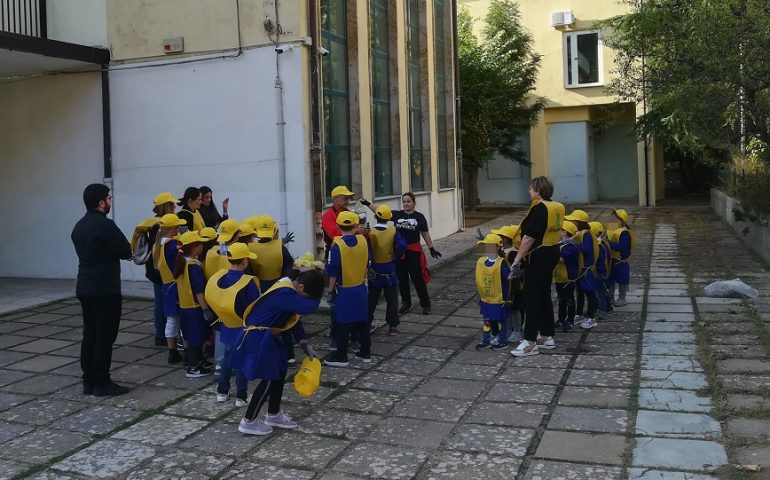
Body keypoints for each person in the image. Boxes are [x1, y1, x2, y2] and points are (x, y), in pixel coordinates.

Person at [231, 269, 325, 436]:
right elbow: (306, 308)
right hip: (257, 335)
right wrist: (318, 296)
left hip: (267, 335)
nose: (306, 299)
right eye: (307, 295)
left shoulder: (290, 289)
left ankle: (273, 414)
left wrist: (303, 342)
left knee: (280, 370)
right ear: (300, 286)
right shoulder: (284, 292)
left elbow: (292, 318)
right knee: (269, 377)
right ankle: (249, 421)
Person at [71, 183, 133, 396]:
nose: (110, 201)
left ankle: (88, 381)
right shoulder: (105, 225)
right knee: (105, 337)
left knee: (90, 334)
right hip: (105, 289)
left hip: (85, 287)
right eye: (109, 198)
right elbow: (126, 250)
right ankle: (102, 383)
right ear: (101, 202)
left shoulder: (79, 226)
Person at [510, 176, 564, 357]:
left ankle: (530, 342)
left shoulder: (540, 208)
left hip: (538, 256)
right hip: (552, 252)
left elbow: (529, 238)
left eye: (531, 188)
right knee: (543, 295)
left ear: (538, 190)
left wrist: (517, 259)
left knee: (531, 297)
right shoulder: (556, 206)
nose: (529, 191)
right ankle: (547, 336)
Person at [204, 243, 258, 407]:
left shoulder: (221, 276)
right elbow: (255, 305)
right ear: (245, 261)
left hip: (226, 324)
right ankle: (241, 396)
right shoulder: (247, 282)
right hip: (243, 327)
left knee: (227, 358)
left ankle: (222, 391)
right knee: (241, 361)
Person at [324, 211, 371, 367]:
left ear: (338, 226)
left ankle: (341, 356)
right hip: (360, 286)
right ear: (356, 226)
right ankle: (365, 353)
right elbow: (367, 261)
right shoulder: (363, 241)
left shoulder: (337, 246)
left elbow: (333, 271)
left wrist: (330, 290)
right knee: (363, 320)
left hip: (344, 289)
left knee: (343, 322)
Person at [249, 214, 297, 363]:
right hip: (278, 286)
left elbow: (249, 269)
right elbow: (289, 265)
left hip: (260, 288)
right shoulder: (279, 246)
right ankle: (290, 356)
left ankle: (263, 355)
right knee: (283, 322)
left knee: (261, 323)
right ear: (274, 230)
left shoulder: (251, 248)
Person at [132, 192, 178, 346]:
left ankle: (161, 334)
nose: (175, 207)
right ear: (166, 206)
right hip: (163, 269)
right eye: (172, 204)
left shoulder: (150, 223)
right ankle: (164, 335)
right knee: (166, 303)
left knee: (160, 301)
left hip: (154, 269)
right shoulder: (162, 224)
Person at [173, 231, 216, 377]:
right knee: (196, 338)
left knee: (189, 336)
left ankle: (198, 361)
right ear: (194, 247)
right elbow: (199, 290)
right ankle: (194, 367)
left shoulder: (182, 262)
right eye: (200, 244)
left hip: (184, 307)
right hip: (195, 308)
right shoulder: (194, 266)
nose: (202, 246)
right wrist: (205, 309)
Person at [392, 192, 442, 315]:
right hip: (399, 252)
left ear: (414, 203)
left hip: (413, 251)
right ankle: (406, 304)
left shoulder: (419, 217)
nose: (406, 204)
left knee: (417, 278)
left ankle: (425, 304)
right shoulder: (397, 215)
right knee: (402, 279)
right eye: (404, 201)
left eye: (408, 201)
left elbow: (425, 233)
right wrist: (368, 204)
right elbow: (380, 211)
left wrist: (431, 248)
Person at [367, 205, 406, 335]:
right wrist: (396, 255)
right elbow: (402, 245)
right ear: (389, 218)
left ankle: (368, 324)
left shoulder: (370, 232)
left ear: (375, 216)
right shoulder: (393, 230)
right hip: (390, 267)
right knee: (392, 298)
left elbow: (367, 249)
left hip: (375, 268)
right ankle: (393, 326)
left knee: (371, 298)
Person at [154, 213, 186, 364]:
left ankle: (172, 352)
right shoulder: (172, 245)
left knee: (171, 320)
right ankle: (186, 351)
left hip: (166, 286)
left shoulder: (158, 244)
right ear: (174, 228)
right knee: (181, 320)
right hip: (176, 285)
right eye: (178, 226)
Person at [474, 234, 511, 351]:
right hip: (485, 298)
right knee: (487, 321)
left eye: (490, 245)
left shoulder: (502, 263)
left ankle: (502, 341)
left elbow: (509, 277)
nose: (487, 248)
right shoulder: (481, 261)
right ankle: (486, 340)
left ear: (497, 247)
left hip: (499, 299)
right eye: (486, 246)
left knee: (500, 320)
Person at [565, 210, 599, 329]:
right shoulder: (580, 233)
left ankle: (591, 317)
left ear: (579, 222)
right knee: (580, 293)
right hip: (580, 269)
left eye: (573, 220)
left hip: (587, 269)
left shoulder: (587, 234)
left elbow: (588, 249)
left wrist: (573, 242)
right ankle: (579, 314)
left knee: (590, 293)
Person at [491, 225, 524, 343]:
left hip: (514, 288)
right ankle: (508, 330)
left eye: (500, 236)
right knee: (507, 309)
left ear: (506, 239)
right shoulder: (502, 252)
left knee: (515, 310)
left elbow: (521, 269)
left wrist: (514, 276)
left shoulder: (513, 253)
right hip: (504, 286)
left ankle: (517, 331)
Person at [553, 221, 582, 332]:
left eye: (559, 230)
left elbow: (562, 259)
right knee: (561, 300)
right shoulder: (561, 244)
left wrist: (550, 254)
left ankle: (570, 321)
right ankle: (561, 319)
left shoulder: (571, 246)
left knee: (569, 300)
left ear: (564, 232)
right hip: (559, 278)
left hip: (568, 279)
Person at [608, 208, 635, 307]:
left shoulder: (625, 233)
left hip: (620, 260)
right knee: (609, 279)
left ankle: (622, 298)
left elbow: (623, 247)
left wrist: (609, 243)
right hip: (610, 259)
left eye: (615, 217)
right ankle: (610, 297)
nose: (612, 219)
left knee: (622, 280)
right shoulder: (611, 228)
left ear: (622, 221)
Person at [590, 221, 612, 319]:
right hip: (600, 271)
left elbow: (601, 260)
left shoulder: (598, 245)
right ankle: (608, 307)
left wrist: (599, 273)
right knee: (602, 290)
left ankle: (602, 310)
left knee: (599, 292)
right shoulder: (600, 242)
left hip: (598, 272)